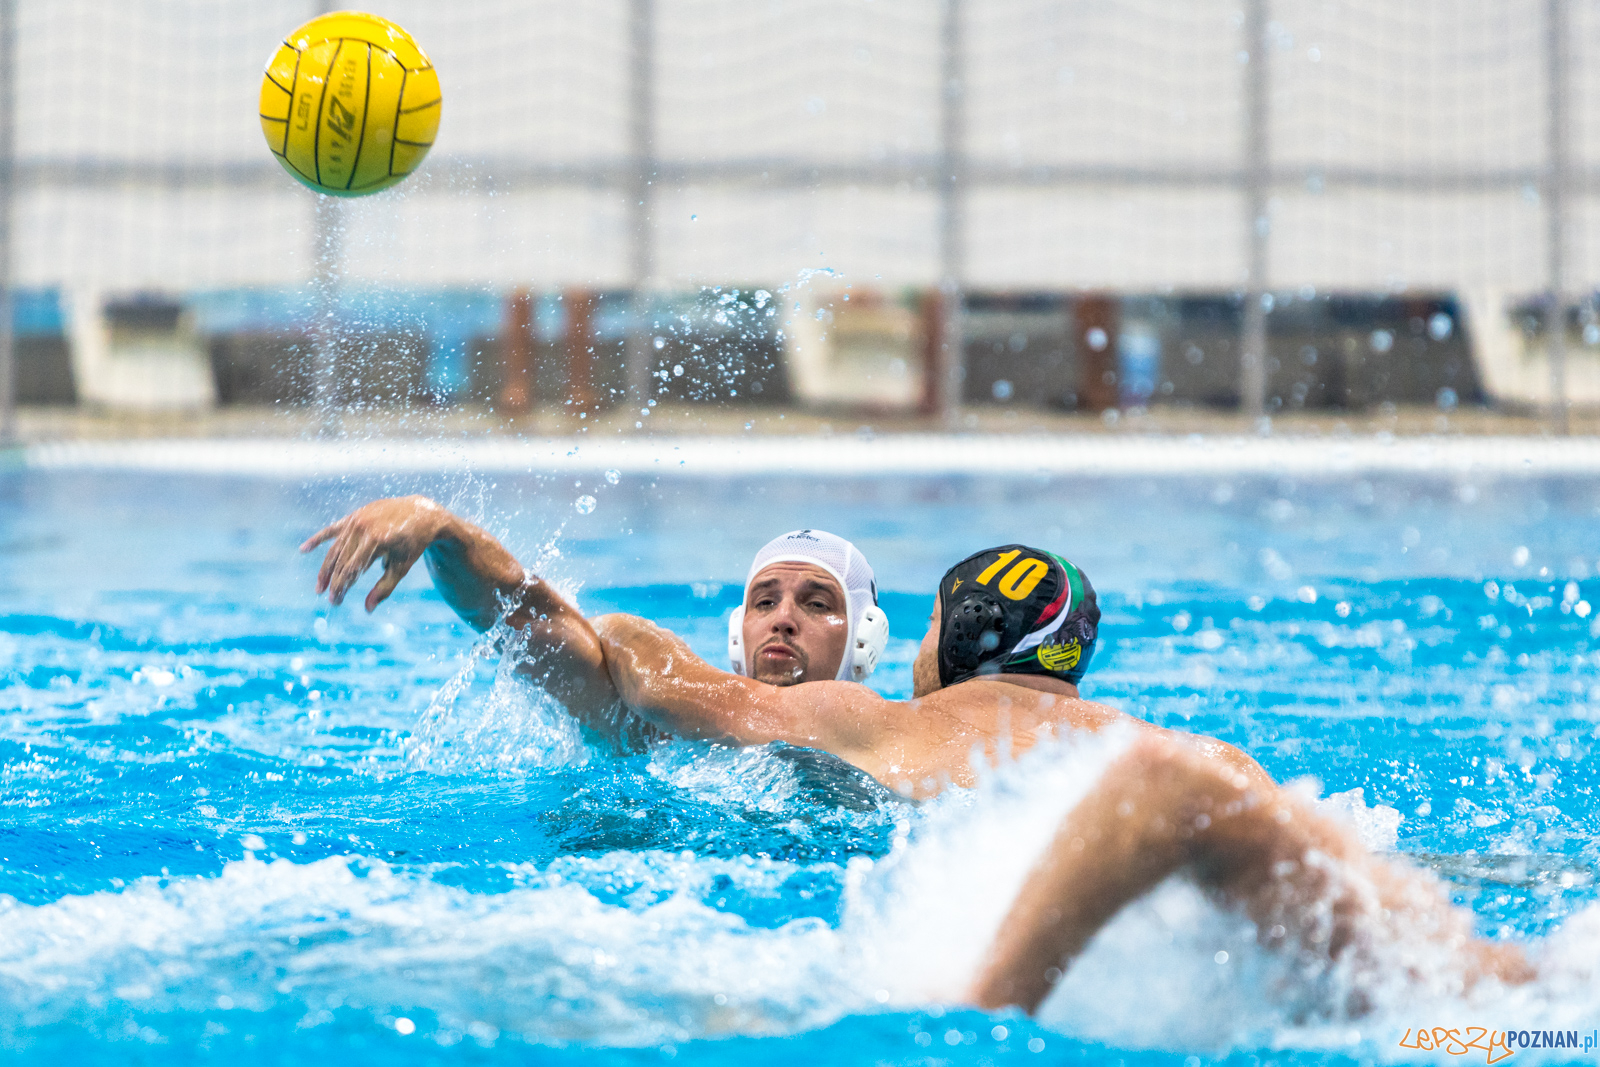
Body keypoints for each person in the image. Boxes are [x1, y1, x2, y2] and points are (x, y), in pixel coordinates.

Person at [583, 543, 1536, 1012]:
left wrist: (618, 630)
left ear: (958, 636)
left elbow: (667, 690)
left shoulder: (873, 722)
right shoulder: (1210, 757)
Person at [299, 496, 888, 742]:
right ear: (738, 631)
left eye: (816, 603)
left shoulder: (897, 738)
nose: (783, 619)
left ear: (864, 639)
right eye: (764, 601)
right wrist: (444, 531)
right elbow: (524, 621)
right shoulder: (669, 728)